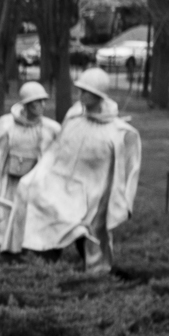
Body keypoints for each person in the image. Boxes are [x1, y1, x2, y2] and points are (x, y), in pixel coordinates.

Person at [18, 66, 142, 274]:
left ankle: (98, 274)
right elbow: (56, 153)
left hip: (93, 196)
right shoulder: (74, 118)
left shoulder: (119, 133)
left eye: (86, 91)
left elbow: (130, 170)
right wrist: (35, 178)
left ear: (98, 94)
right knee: (41, 208)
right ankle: (42, 266)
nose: (80, 95)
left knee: (92, 236)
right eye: (80, 90)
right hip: (62, 186)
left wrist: (124, 203)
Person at [0, 80, 60, 252]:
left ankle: (31, 246)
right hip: (9, 181)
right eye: (37, 102)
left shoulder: (50, 128)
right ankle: (1, 245)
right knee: (3, 213)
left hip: (34, 183)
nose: (42, 105)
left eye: (43, 101)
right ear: (27, 104)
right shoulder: (6, 124)